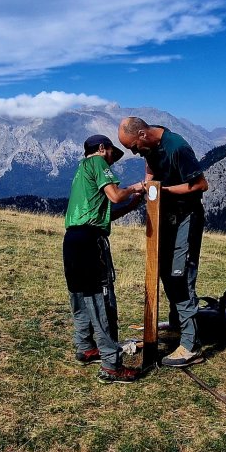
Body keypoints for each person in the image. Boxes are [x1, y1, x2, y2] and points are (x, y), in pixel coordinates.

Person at [117, 117, 209, 368]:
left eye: (134, 147)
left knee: (181, 276)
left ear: (143, 136)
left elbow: (201, 184)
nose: (134, 152)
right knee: (165, 272)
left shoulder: (176, 147)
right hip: (165, 217)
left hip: (186, 218)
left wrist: (163, 190)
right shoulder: (152, 148)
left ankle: (191, 346)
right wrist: (148, 185)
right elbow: (151, 168)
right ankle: (179, 324)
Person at [64, 134, 143, 383]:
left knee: (80, 295)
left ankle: (86, 347)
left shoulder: (81, 171)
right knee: (101, 298)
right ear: (101, 149)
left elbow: (103, 213)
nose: (111, 163)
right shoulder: (97, 162)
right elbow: (116, 195)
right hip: (90, 242)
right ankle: (112, 366)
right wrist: (135, 188)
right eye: (111, 154)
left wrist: (131, 207)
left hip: (72, 240)